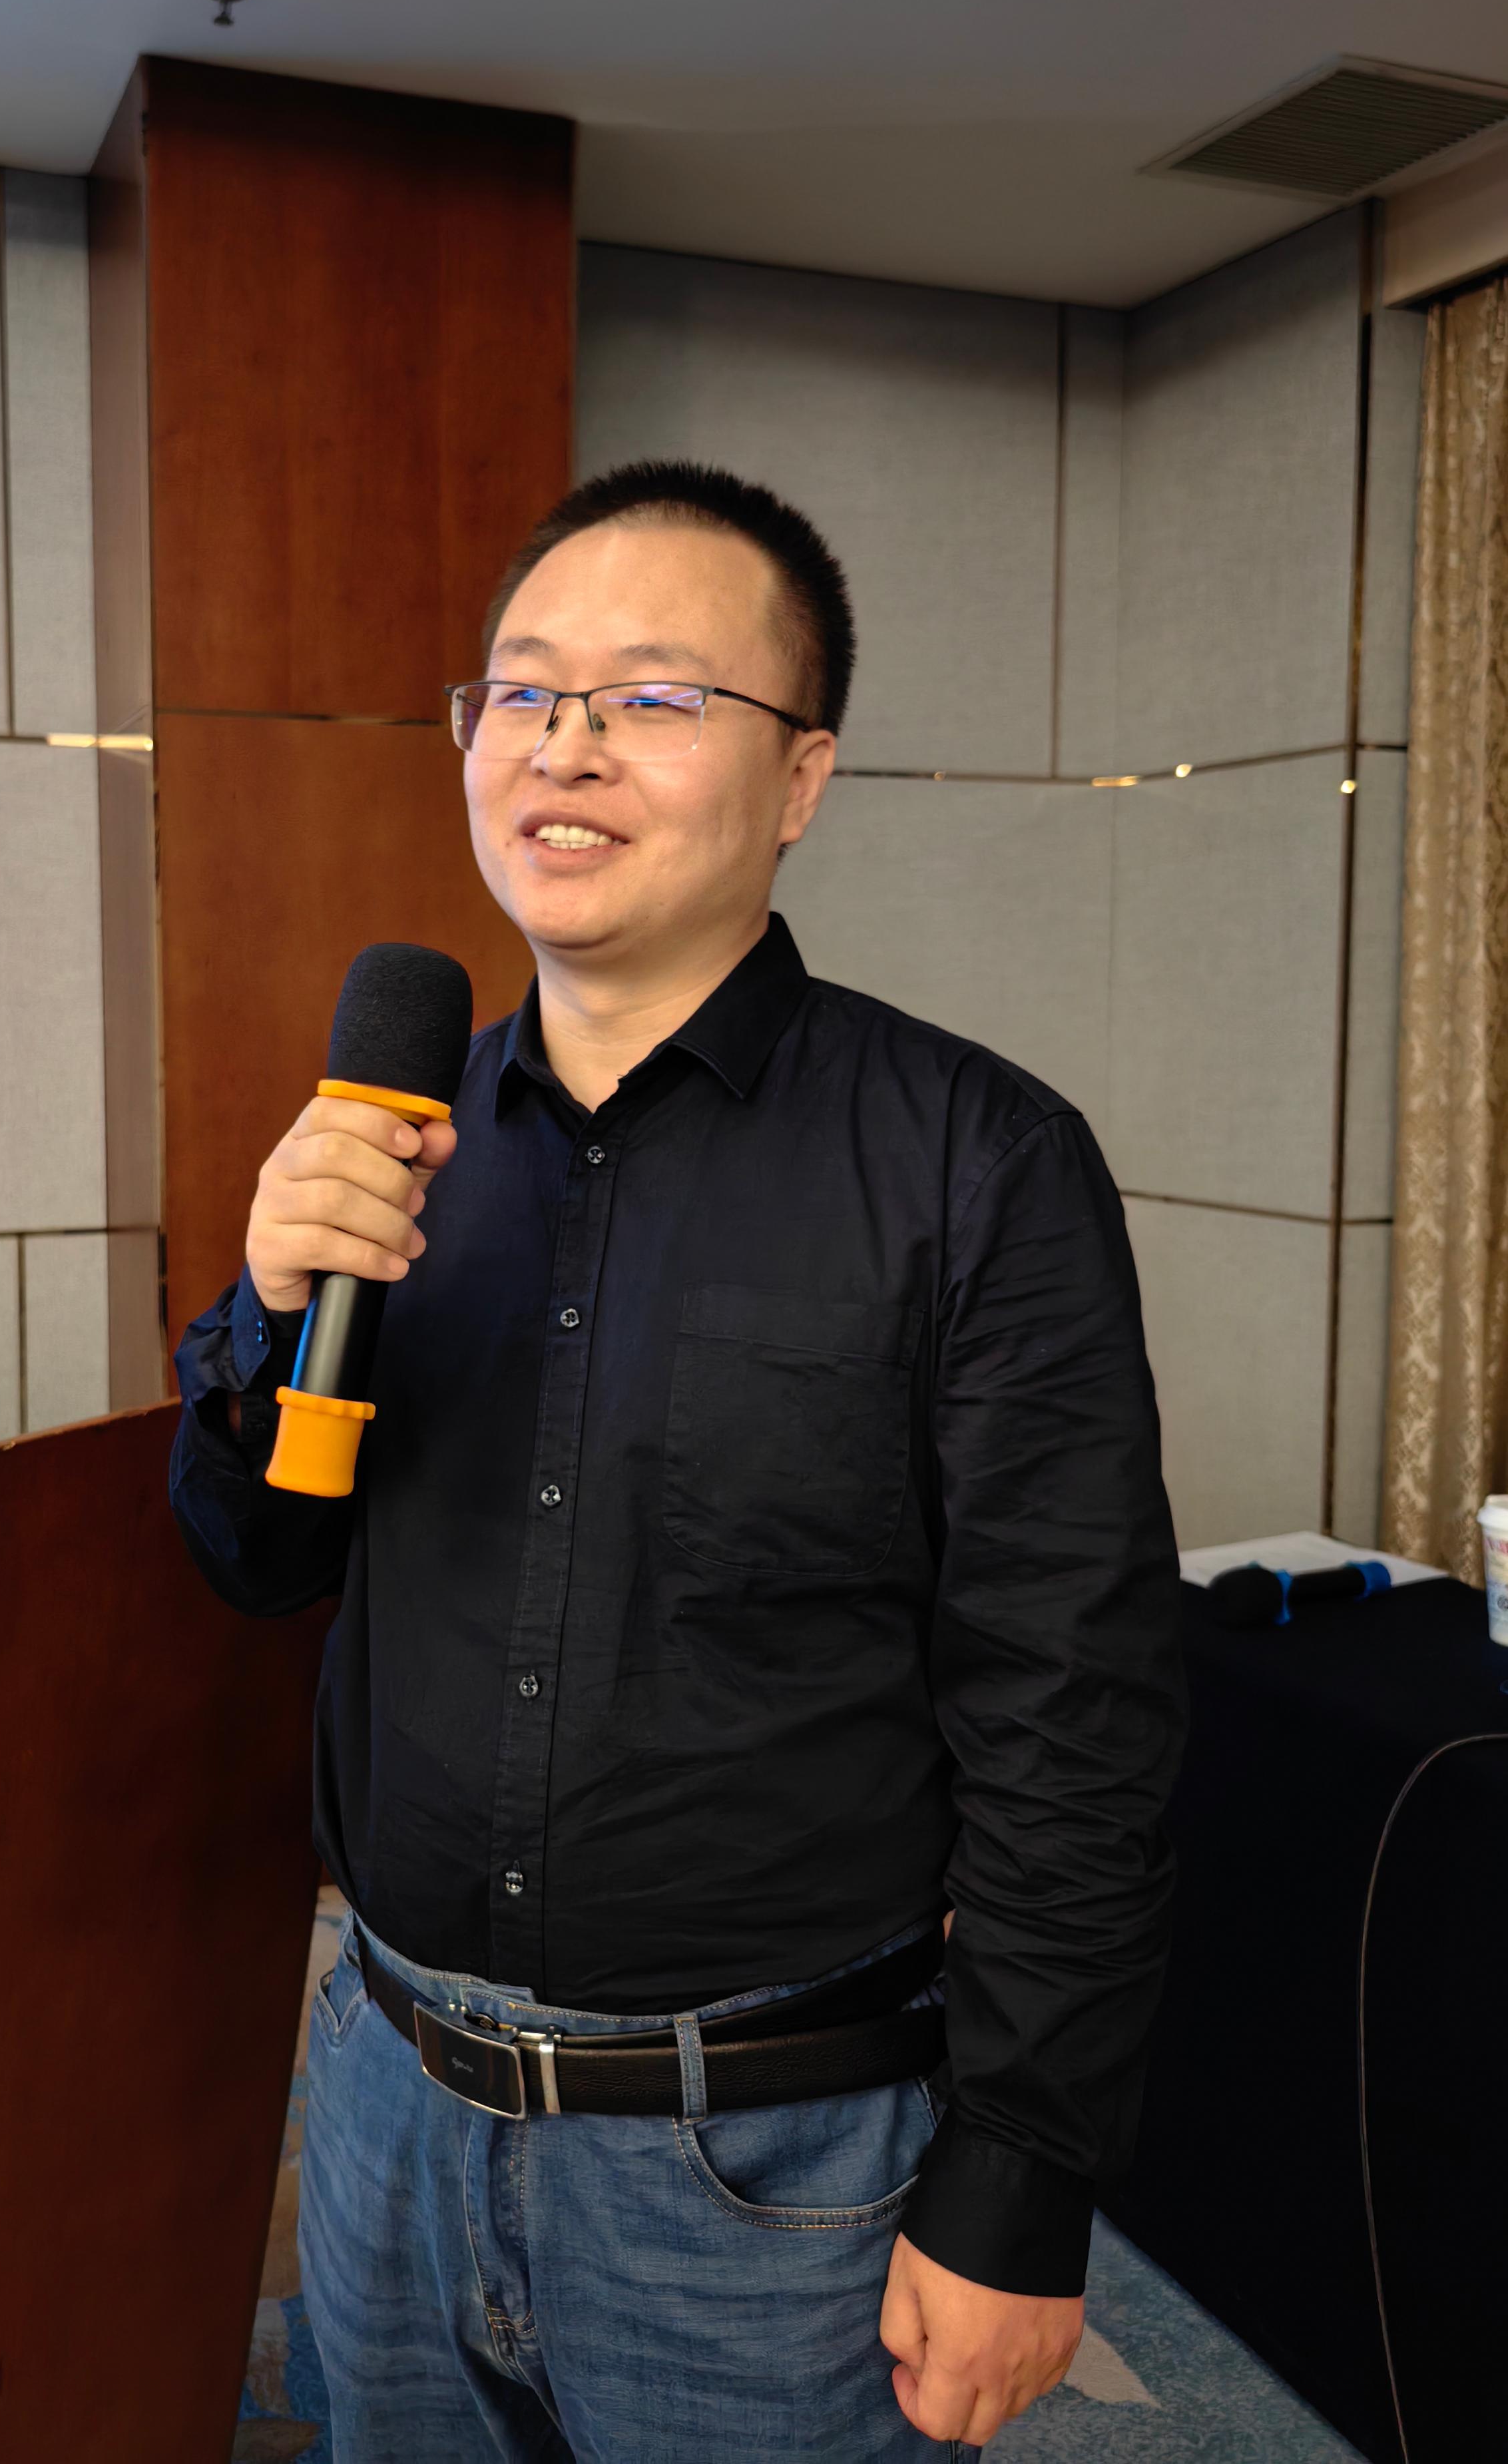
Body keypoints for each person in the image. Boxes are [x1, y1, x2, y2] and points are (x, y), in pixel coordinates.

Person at [170, 459, 1184, 2461]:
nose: (564, 745)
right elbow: (253, 1560)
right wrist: (273, 1311)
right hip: (384, 2096)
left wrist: (1022, 2178)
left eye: (651, 696)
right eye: (521, 690)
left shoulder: (977, 1165)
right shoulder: (388, 1149)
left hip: (770, 2173)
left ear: (801, 779)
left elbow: (1075, 1716)